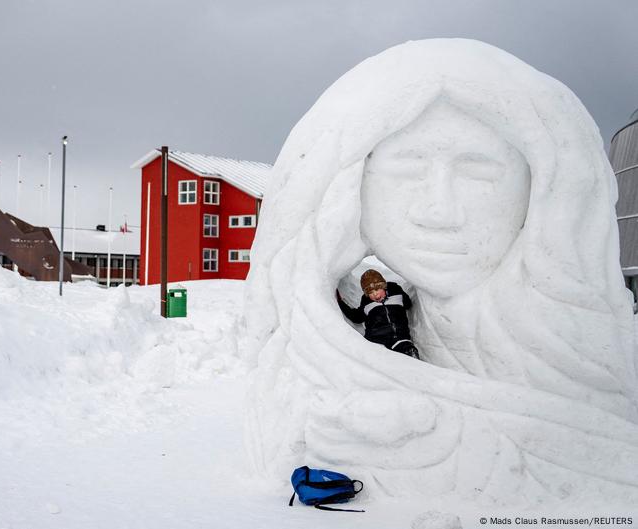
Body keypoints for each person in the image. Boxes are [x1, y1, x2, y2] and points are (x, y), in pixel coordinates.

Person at [242, 39, 638, 498]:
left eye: (478, 173)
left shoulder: (580, 350)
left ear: (548, 185)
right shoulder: (305, 360)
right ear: (346, 187)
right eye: (408, 170)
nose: (439, 211)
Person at [335, 270, 419, 359]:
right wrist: (341, 303)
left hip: (399, 337)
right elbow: (357, 317)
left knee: (408, 350)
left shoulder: (396, 292)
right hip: (376, 339)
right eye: (370, 292)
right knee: (371, 358)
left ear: (384, 286)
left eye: (377, 289)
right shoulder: (366, 302)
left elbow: (408, 304)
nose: (375, 294)